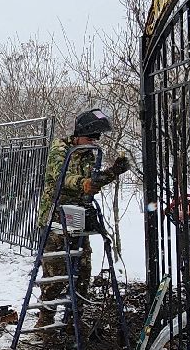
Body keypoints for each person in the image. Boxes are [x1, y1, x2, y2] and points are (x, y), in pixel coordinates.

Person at [36, 108, 132, 328]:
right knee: (56, 273)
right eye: (91, 136)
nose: (94, 141)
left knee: (82, 271)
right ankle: (46, 319)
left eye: (97, 138)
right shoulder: (61, 148)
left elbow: (92, 183)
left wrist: (113, 172)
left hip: (76, 216)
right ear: (80, 133)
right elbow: (62, 177)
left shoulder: (89, 155)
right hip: (55, 218)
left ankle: (74, 318)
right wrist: (83, 183)